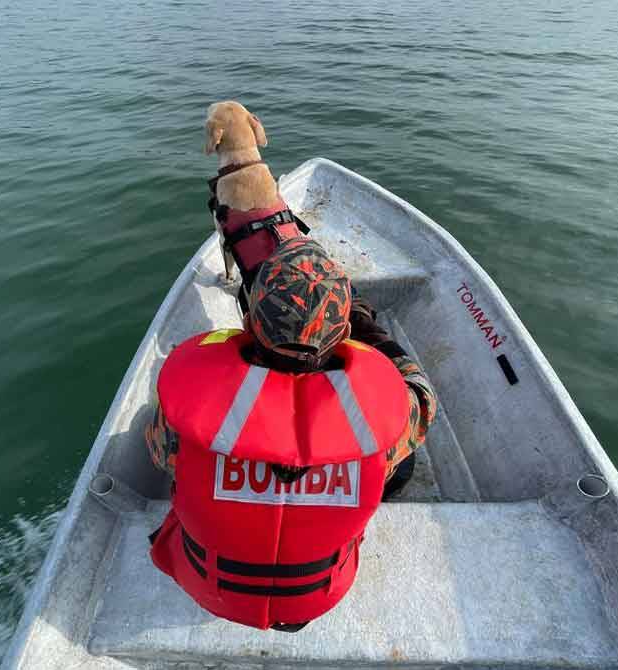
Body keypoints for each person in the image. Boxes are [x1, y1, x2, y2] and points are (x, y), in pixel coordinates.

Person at [145, 238, 437, 631]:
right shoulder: (390, 419)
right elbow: (421, 393)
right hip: (317, 595)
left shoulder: (186, 411)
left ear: (249, 322)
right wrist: (369, 329)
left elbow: (160, 454)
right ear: (345, 332)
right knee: (401, 463)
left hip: (209, 587)